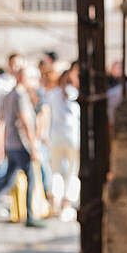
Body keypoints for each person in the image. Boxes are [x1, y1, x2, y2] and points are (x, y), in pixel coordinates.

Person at [0, 58, 46, 228]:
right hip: (21, 145)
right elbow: (25, 121)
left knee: (8, 179)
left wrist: (0, 144)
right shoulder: (20, 95)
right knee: (30, 179)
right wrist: (34, 146)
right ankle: (31, 215)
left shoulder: (10, 94)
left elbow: (1, 120)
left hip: (11, 144)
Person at [43, 63, 80, 217]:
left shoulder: (52, 94)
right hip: (72, 137)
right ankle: (66, 204)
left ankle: (56, 203)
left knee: (56, 170)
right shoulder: (75, 93)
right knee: (72, 171)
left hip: (56, 136)